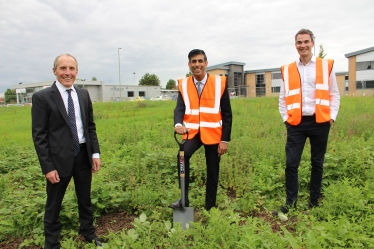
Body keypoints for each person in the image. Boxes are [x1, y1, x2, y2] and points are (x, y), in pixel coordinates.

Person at [32, 54, 102, 248]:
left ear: (77, 72)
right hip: (57, 160)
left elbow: (90, 127)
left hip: (82, 155)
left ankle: (88, 231)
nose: (67, 73)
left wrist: (95, 153)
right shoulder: (42, 97)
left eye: (71, 69)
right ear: (55, 71)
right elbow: (39, 136)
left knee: (85, 198)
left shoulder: (83, 94)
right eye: (63, 68)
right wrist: (48, 167)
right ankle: (51, 242)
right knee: (54, 203)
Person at [273, 29, 340, 215]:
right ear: (296, 45)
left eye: (306, 42)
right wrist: (286, 119)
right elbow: (282, 98)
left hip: (320, 122)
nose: (302, 45)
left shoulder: (326, 66)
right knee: (291, 164)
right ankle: (290, 203)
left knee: (317, 163)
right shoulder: (287, 69)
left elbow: (334, 94)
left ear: (312, 43)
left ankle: (313, 200)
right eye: (299, 42)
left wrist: (331, 117)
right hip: (296, 124)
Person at [169, 49, 233, 211]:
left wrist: (224, 140)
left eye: (200, 61)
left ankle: (210, 207)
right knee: (182, 156)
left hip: (213, 134)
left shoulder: (219, 83)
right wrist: (178, 125)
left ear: (206, 63)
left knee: (213, 170)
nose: (197, 65)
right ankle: (184, 200)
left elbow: (227, 114)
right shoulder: (183, 84)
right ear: (189, 64)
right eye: (193, 61)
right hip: (193, 132)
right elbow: (179, 109)